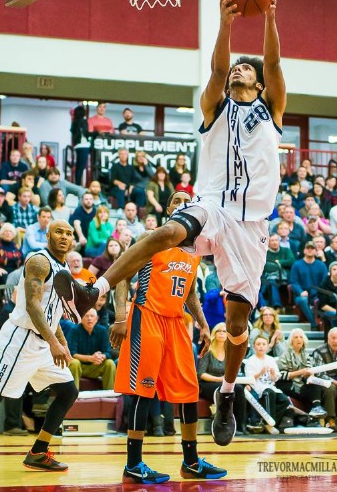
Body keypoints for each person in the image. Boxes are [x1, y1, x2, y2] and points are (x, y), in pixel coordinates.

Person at [84, 0, 286, 448]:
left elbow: (273, 64)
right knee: (167, 230)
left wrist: (271, 16)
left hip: (251, 222)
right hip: (212, 203)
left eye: (243, 69)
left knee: (237, 325)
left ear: (256, 84)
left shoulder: (271, 109)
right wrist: (227, 23)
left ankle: (229, 396)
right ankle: (95, 287)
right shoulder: (214, 107)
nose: (236, 70)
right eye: (233, 68)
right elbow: (218, 65)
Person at [110, 190, 226, 483]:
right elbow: (123, 276)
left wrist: (202, 323)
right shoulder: (151, 238)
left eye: (187, 202)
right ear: (167, 209)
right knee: (142, 389)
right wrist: (121, 317)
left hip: (176, 322)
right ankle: (133, 463)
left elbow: (189, 291)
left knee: (188, 388)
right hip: (146, 315)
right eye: (176, 201)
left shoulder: (196, 250)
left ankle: (191, 461)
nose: (181, 205)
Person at [0, 220, 79, 476]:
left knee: (68, 391)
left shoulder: (64, 269)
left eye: (69, 233)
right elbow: (33, 306)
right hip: (22, 338)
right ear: (48, 235)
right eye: (59, 232)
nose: (64, 236)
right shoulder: (39, 261)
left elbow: (54, 311)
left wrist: (62, 342)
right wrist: (53, 342)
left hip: (44, 342)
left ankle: (39, 452)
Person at [198, 323, 247, 435]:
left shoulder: (230, 352)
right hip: (207, 384)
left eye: (224, 331)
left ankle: (241, 425)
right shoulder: (208, 350)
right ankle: (221, 424)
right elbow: (201, 373)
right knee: (222, 390)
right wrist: (218, 379)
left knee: (239, 389)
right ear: (214, 334)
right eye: (219, 331)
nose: (221, 333)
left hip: (224, 382)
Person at [244, 336, 295, 432]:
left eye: (263, 344)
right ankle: (269, 424)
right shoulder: (251, 361)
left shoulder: (270, 359)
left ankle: (269, 422)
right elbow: (249, 379)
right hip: (258, 388)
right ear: (254, 347)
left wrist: (272, 375)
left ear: (267, 347)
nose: (261, 347)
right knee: (269, 393)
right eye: (258, 344)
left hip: (271, 386)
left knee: (285, 401)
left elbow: (275, 378)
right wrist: (260, 373)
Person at [276, 328, 327, 418]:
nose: (299, 339)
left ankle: (316, 408)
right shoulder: (285, 355)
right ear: (291, 341)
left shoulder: (307, 355)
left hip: (301, 382)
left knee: (316, 383)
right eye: (296, 337)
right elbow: (280, 375)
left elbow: (308, 370)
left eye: (301, 337)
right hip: (287, 384)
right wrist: (300, 372)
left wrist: (310, 375)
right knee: (311, 392)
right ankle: (314, 412)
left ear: (304, 340)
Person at [68, 308, 116, 390]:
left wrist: (101, 357)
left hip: (96, 366)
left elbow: (108, 352)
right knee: (74, 363)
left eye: (92, 316)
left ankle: (110, 395)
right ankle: (73, 395)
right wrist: (90, 358)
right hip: (80, 366)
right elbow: (72, 354)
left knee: (110, 363)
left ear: (96, 319)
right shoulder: (74, 330)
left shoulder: (102, 331)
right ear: (81, 318)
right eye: (86, 316)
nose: (89, 318)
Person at [289, 241, 328, 328]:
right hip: (302, 295)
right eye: (308, 248)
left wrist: (315, 292)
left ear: (315, 251)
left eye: (312, 248)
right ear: (304, 250)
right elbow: (294, 282)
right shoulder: (297, 265)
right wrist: (300, 292)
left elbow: (324, 282)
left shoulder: (321, 265)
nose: (310, 250)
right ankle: (314, 323)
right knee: (302, 300)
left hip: (317, 295)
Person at [317, 261, 337, 334]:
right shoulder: (324, 284)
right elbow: (323, 305)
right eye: (334, 269)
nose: (336, 272)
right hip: (327, 310)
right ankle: (335, 335)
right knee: (334, 315)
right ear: (330, 271)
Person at [71, 105, 90, 186]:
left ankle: (77, 183)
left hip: (77, 146)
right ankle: (78, 185)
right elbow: (86, 133)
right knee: (81, 167)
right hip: (84, 145)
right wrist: (95, 133)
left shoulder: (74, 122)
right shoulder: (83, 121)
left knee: (78, 167)